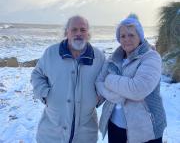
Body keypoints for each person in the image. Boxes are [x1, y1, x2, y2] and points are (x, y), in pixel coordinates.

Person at [31, 15, 105, 143]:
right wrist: (45, 94)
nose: (78, 34)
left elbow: (106, 81)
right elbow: (37, 75)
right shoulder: (51, 53)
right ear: (67, 32)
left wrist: (98, 97)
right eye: (74, 30)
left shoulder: (99, 57)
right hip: (51, 133)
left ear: (88, 34)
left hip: (85, 134)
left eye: (83, 30)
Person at [96, 14, 167, 143]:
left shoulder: (151, 57)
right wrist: (120, 96)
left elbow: (137, 89)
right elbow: (99, 83)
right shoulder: (114, 58)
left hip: (145, 130)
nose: (126, 39)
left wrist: (109, 80)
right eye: (122, 36)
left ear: (140, 36)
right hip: (115, 126)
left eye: (131, 35)